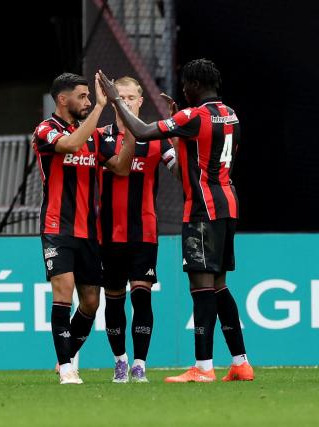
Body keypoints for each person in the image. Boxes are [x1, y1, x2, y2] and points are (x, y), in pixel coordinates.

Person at [97, 59, 254, 383]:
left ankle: (204, 367)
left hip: (202, 209)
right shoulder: (231, 114)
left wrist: (114, 99)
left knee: (202, 286)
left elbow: (140, 130)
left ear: (194, 86)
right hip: (228, 204)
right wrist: (179, 128)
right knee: (220, 285)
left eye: (185, 85)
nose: (183, 90)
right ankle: (240, 361)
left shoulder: (192, 116)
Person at [32, 72, 136, 384]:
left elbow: (120, 166)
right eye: (83, 96)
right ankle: (67, 368)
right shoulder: (46, 130)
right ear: (62, 100)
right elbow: (69, 145)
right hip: (57, 227)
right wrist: (100, 109)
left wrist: (131, 132)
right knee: (62, 295)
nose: (89, 101)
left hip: (88, 231)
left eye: (90, 96)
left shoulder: (93, 135)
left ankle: (65, 354)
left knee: (91, 302)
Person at [97, 76, 177, 383]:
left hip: (144, 231)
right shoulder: (101, 137)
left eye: (131, 97)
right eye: (121, 96)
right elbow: (117, 167)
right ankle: (120, 361)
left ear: (140, 102)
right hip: (108, 233)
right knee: (114, 300)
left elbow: (181, 175)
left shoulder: (157, 138)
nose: (126, 101)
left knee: (142, 298)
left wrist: (178, 132)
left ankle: (140, 364)